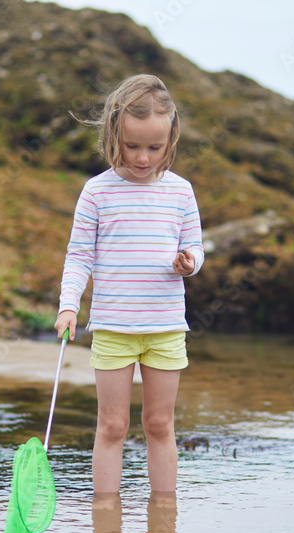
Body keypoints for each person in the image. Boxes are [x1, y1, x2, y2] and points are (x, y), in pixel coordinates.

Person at [54, 73, 204, 495]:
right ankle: (104, 511)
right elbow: (79, 256)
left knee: (159, 423)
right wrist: (69, 306)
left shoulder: (180, 192)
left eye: (154, 148)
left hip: (166, 327)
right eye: (132, 146)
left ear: (171, 137)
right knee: (112, 425)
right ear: (112, 133)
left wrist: (189, 263)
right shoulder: (97, 192)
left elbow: (194, 245)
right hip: (114, 327)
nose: (142, 158)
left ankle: (164, 512)